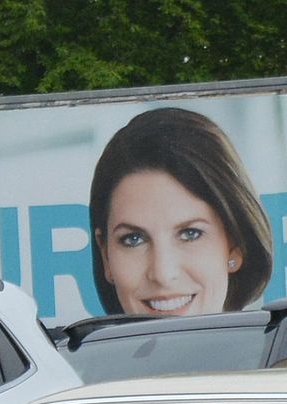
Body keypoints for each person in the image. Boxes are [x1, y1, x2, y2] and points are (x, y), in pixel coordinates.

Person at [88, 107, 273, 317]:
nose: (163, 274)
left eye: (190, 234)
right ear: (106, 256)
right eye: (133, 239)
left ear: (235, 246)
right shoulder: (59, 351)